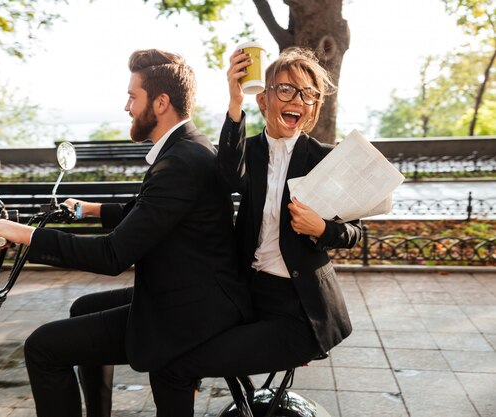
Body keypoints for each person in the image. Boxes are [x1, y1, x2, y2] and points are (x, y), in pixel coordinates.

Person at [0, 49, 252, 417]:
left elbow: (112, 256)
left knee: (43, 347)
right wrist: (90, 209)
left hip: (187, 313)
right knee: (83, 307)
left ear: (160, 103)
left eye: (132, 96)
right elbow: (152, 212)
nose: (126, 106)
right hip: (195, 290)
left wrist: (25, 235)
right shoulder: (190, 146)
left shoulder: (178, 162)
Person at [147, 47, 362, 416]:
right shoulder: (251, 151)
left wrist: (322, 228)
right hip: (247, 299)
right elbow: (230, 174)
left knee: (174, 368)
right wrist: (233, 100)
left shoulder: (325, 158)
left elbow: (356, 232)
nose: (299, 100)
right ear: (263, 99)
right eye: (287, 90)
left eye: (309, 94)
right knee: (167, 345)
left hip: (299, 314)